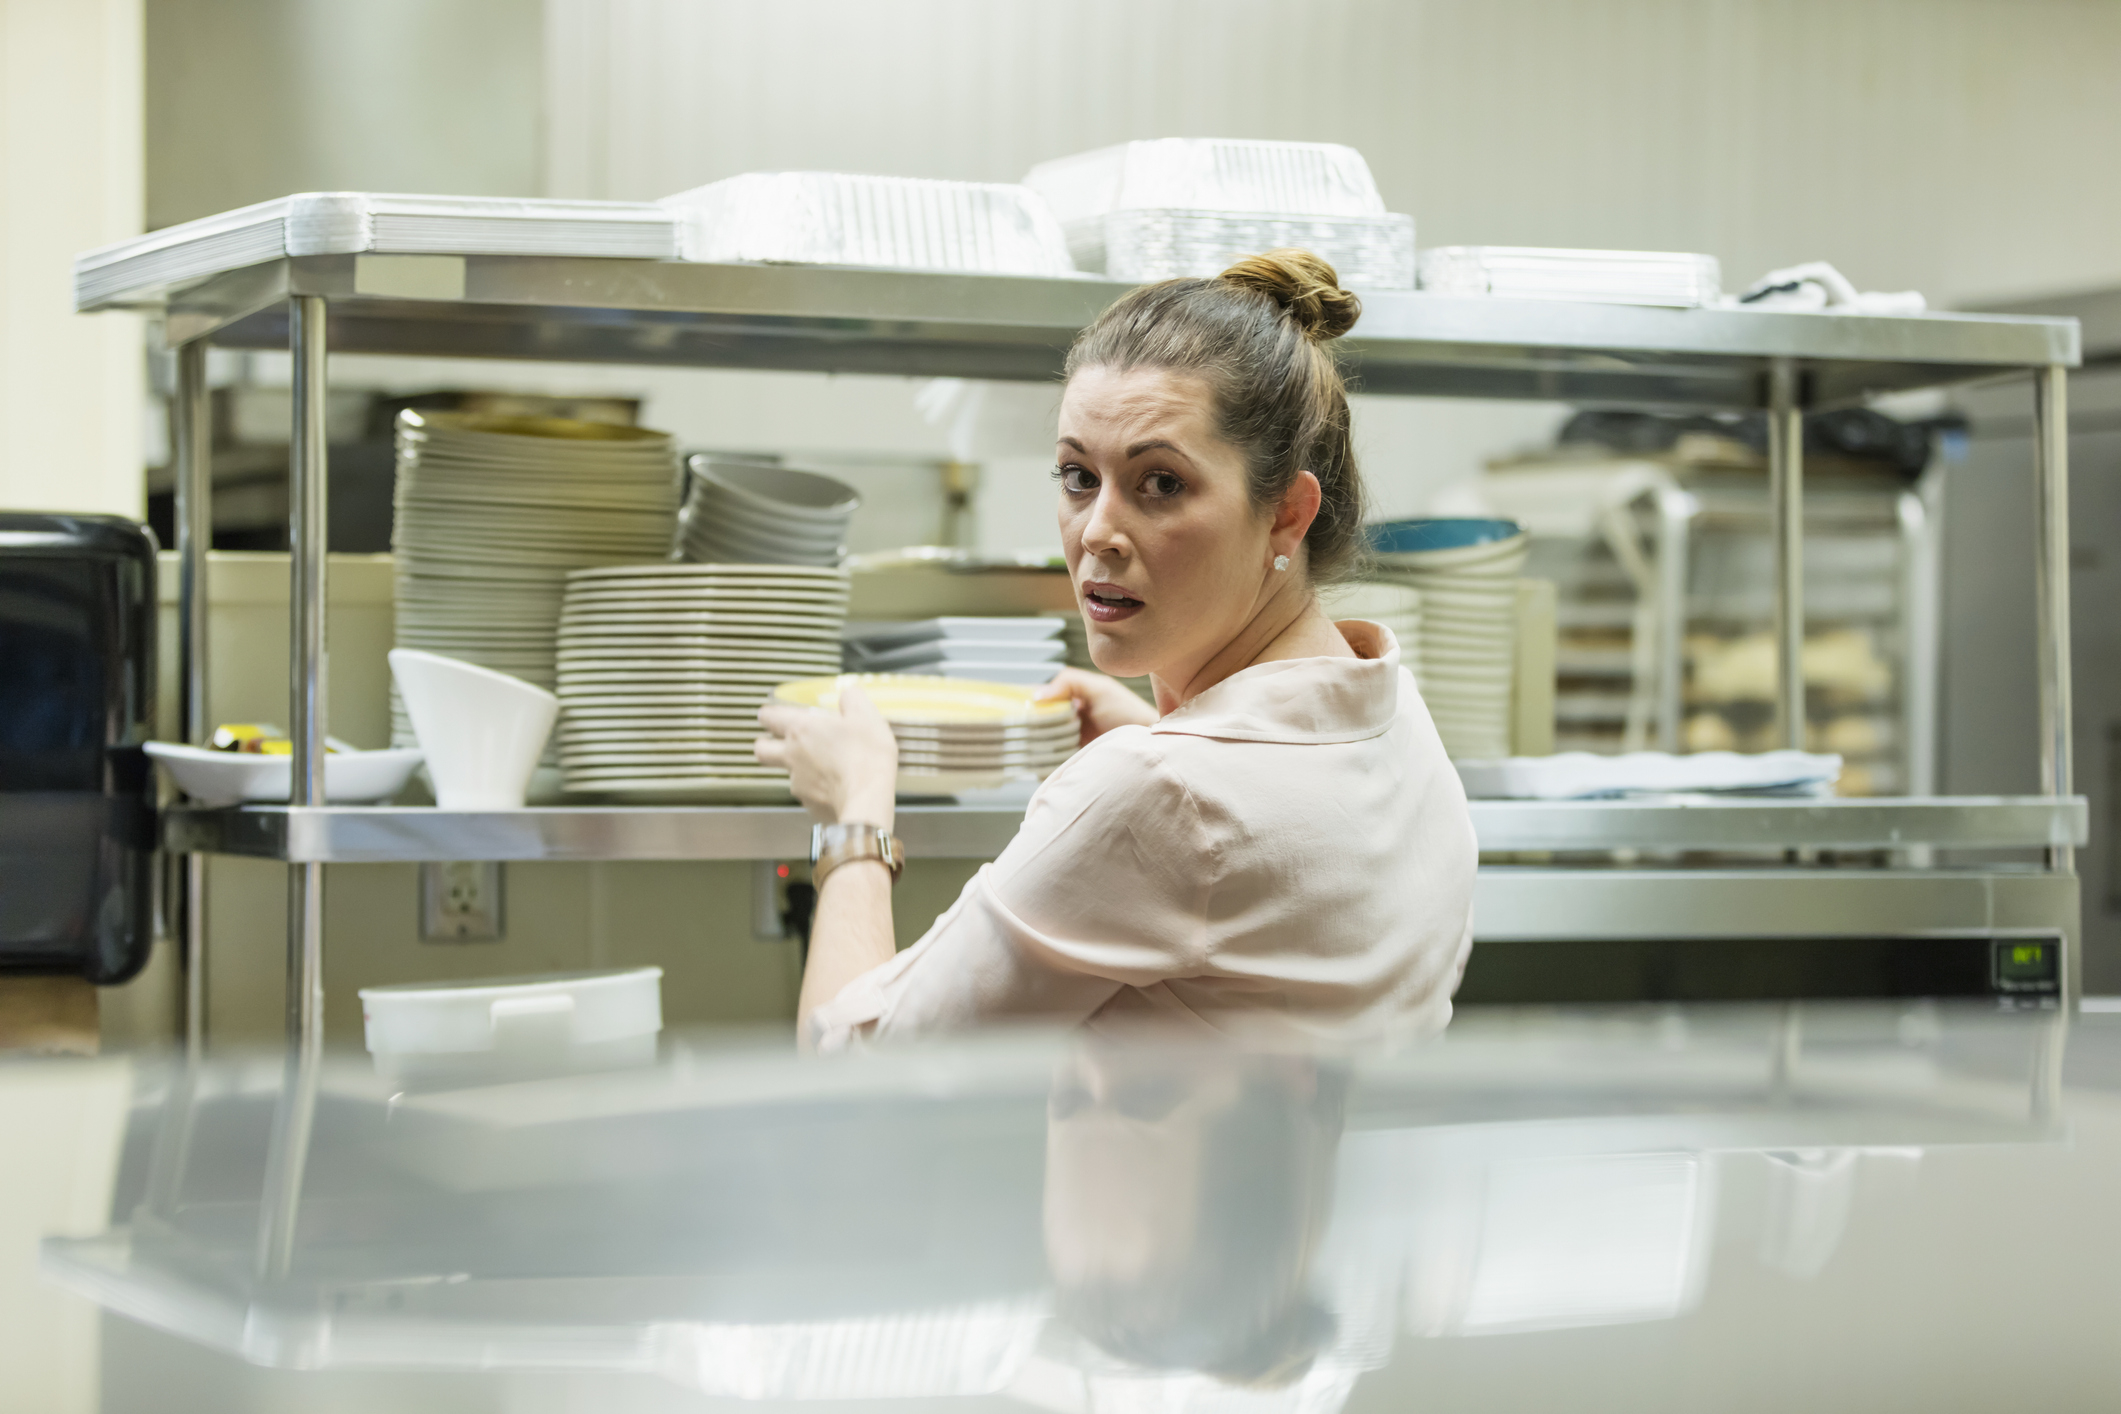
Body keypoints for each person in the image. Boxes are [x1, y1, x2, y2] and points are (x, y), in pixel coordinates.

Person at [755, 249, 1476, 1052]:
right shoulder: (1393, 713)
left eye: (1160, 483)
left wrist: (855, 813)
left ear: (1285, 513)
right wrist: (1156, 729)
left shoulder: (1158, 793)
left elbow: (851, 1068)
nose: (1097, 530)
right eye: (1075, 476)